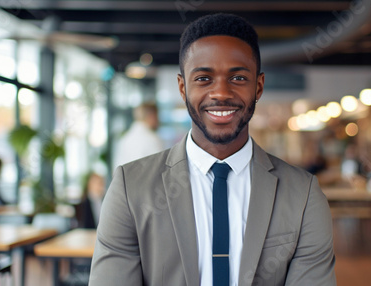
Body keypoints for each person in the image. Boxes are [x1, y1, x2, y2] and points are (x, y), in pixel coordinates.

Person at [90, 13, 336, 285]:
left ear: (259, 86)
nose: (221, 93)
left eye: (238, 78)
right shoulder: (130, 188)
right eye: (204, 79)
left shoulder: (303, 195)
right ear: (182, 88)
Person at [113, 102, 164, 167]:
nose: (159, 121)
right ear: (152, 116)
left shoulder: (124, 140)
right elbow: (161, 168)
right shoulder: (152, 139)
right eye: (158, 116)